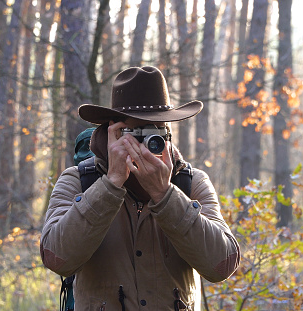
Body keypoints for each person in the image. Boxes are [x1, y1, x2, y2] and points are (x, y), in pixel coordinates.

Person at [41, 66, 240, 310]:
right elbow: (56, 258)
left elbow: (222, 264)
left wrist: (165, 196)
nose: (147, 143)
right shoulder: (77, 181)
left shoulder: (191, 182)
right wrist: (110, 184)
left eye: (156, 131)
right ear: (113, 131)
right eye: (137, 132)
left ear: (168, 133)